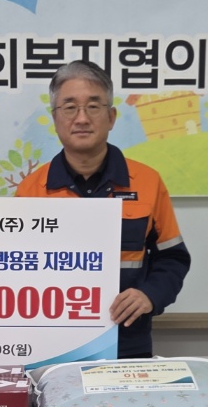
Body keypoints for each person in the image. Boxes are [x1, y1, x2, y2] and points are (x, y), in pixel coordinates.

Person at [14, 61, 191, 358]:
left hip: (127, 340)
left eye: (93, 107)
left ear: (111, 117)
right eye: (70, 107)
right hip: (52, 342)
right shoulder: (31, 190)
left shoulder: (147, 182)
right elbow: (14, 268)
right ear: (55, 118)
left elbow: (173, 258)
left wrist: (150, 295)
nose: (82, 118)